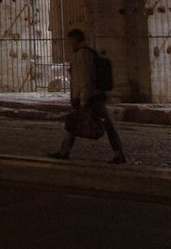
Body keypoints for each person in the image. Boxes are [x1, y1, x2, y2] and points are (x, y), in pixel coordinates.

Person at [48, 28, 126, 163]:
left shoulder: (83, 54)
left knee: (106, 125)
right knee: (74, 123)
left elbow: (85, 78)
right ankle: (64, 151)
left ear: (74, 40)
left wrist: (83, 99)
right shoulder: (85, 53)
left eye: (70, 41)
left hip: (90, 97)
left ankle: (119, 154)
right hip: (90, 96)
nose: (69, 44)